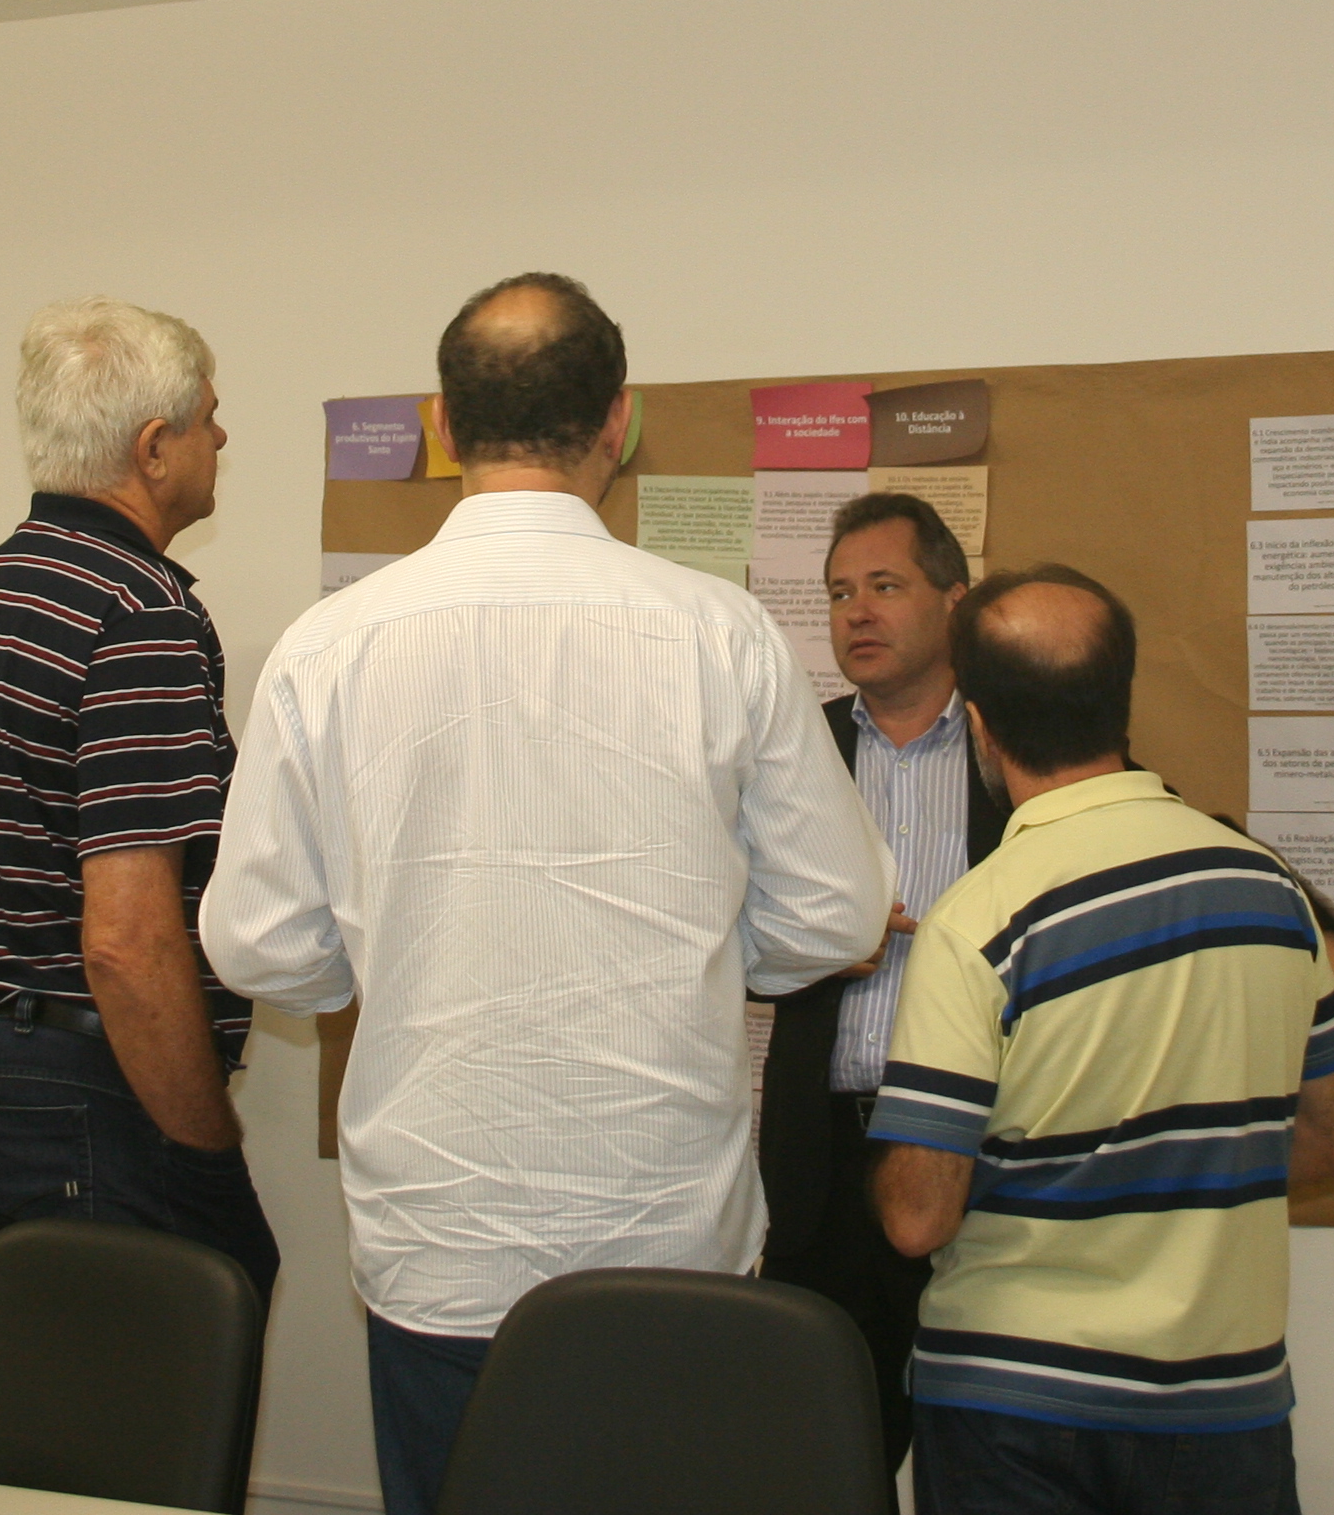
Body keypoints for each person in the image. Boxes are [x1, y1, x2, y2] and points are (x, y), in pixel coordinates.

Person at [204, 272, 894, 1515]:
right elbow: (835, 918)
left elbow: (258, 945)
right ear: (621, 422)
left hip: (441, 1239)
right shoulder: (722, 633)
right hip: (666, 1230)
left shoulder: (331, 645)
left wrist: (380, 950)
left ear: (443, 423)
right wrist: (710, 943)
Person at [870, 567, 1334, 1515]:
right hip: (1224, 1400)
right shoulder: (1270, 891)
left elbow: (917, 1218)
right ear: (1119, 698)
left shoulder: (979, 921)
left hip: (1013, 1406)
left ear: (980, 725)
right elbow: (1333, 1145)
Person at [0, 300, 274, 1319]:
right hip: (72, 1089)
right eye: (207, 417)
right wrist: (203, 1157)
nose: (222, 438)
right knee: (153, 1376)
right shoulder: (137, 611)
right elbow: (126, 940)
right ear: (154, 449)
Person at [758, 491, 1003, 1477]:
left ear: (955, 600)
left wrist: (1325, 933)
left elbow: (1143, 833)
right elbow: (707, 918)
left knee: (981, 1458)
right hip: (821, 1164)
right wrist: (802, 943)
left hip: (978, 1153)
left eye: (886, 586)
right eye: (838, 593)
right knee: (815, 1459)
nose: (856, 612)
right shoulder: (793, 753)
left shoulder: (1013, 748)